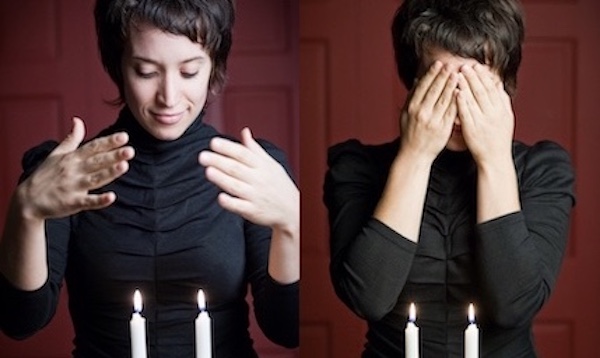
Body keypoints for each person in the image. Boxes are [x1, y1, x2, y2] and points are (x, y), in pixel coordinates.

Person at [0, 0, 299, 357]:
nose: (168, 97)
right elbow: (21, 323)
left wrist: (291, 224)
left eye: (189, 72)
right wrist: (26, 213)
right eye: (145, 71)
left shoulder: (253, 169)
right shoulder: (68, 173)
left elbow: (286, 330)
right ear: (118, 66)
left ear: (214, 66)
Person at [323, 0, 575, 356]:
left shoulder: (543, 169)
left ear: (506, 84)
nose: (459, 105)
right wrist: (415, 156)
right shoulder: (357, 167)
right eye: (442, 83)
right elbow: (368, 298)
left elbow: (514, 305)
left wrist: (494, 160)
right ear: (414, 83)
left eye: (476, 84)